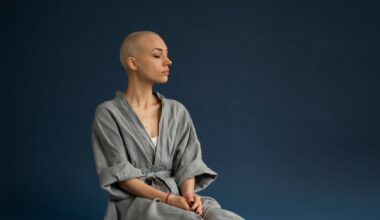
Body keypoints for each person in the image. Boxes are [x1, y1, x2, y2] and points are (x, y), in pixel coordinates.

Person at [91, 31, 244, 220]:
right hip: (137, 201)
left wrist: (188, 195)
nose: (168, 61)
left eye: (167, 54)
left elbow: (188, 163)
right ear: (133, 63)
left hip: (177, 195)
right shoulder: (108, 113)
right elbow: (122, 177)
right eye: (157, 55)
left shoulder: (177, 111)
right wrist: (169, 199)